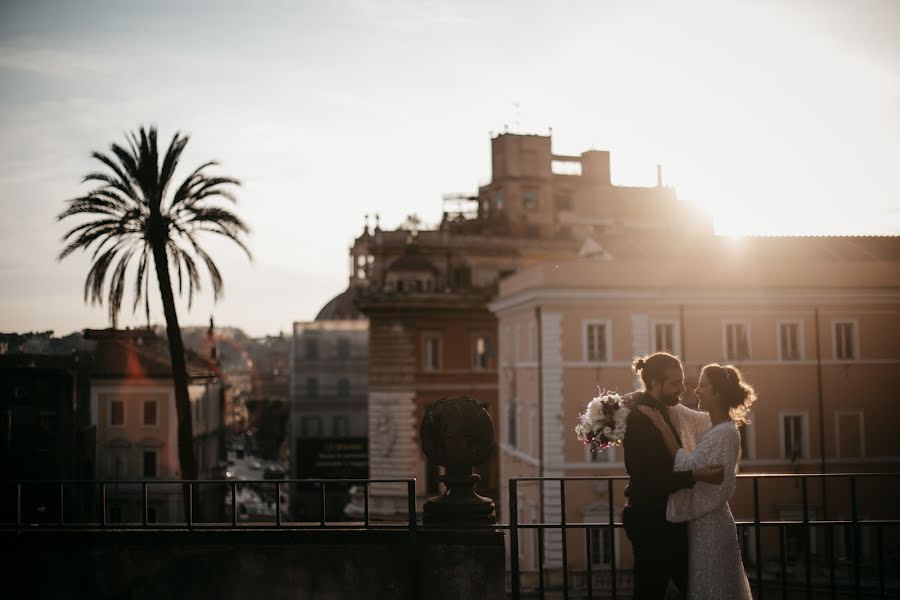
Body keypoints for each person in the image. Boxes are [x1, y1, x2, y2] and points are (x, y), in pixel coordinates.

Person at [638, 363, 756, 599]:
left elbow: (689, 466)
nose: (696, 391)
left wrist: (662, 428)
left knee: (713, 588)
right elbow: (680, 411)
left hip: (711, 526)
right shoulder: (713, 424)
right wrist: (638, 396)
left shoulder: (725, 433)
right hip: (704, 525)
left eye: (703, 385)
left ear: (718, 393)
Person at [622, 352, 726, 600]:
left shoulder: (665, 409)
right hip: (652, 520)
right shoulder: (641, 420)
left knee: (690, 588)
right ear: (656, 383)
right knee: (653, 591)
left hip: (666, 518)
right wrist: (694, 475)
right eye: (675, 383)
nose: (683, 388)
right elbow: (648, 481)